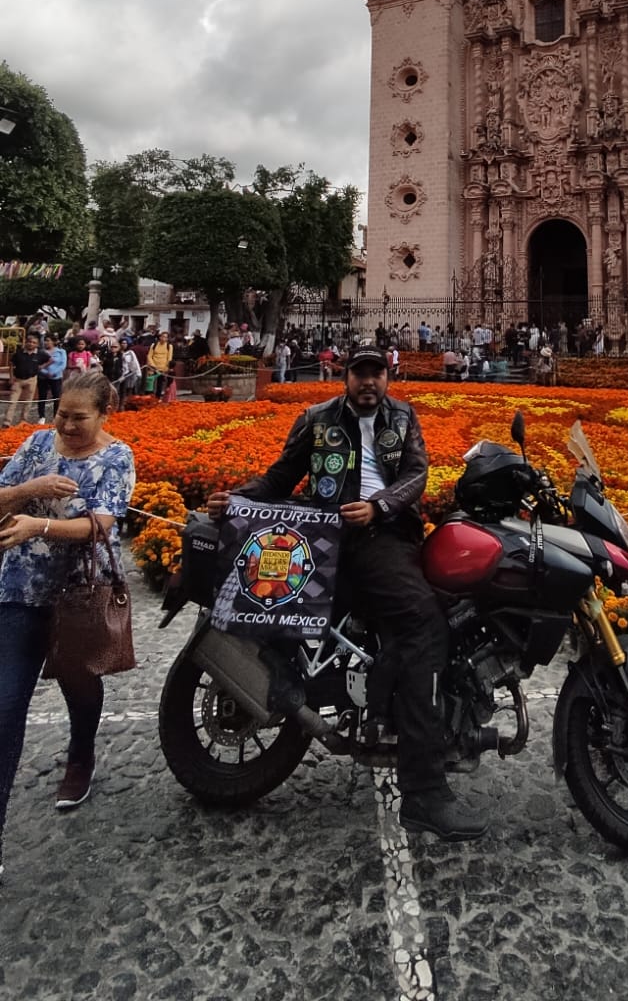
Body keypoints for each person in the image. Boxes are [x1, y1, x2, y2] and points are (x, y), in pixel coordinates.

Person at [206, 347, 484, 843]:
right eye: (360, 373)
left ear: (387, 376)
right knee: (424, 625)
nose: (368, 382)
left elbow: (416, 475)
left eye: (376, 373)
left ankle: (385, 700)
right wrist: (237, 498)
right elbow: (280, 477)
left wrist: (379, 506)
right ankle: (422, 792)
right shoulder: (317, 419)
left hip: (385, 528)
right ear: (345, 375)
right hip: (337, 539)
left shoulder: (402, 416)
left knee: (425, 612)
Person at [0, 371, 135, 875]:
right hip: (19, 591)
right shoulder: (37, 445)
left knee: (79, 684)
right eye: (63, 415)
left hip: (80, 595)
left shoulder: (116, 457)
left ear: (104, 414)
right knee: (5, 707)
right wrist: (29, 489)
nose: (68, 425)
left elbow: (100, 523)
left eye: (80, 418)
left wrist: (43, 524)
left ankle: (81, 753)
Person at [8, 334, 42, 424]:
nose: (31, 344)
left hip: (31, 379)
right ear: (26, 343)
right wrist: (11, 377)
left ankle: (23, 421)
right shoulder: (19, 353)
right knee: (12, 401)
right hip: (18, 380)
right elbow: (11, 364)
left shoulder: (39, 354)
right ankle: (7, 422)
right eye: (29, 342)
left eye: (34, 343)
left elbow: (50, 360)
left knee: (28, 401)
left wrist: (41, 367)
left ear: (37, 345)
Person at [36, 336, 67, 422]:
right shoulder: (41, 352)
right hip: (43, 377)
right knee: (42, 396)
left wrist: (53, 373)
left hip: (56, 377)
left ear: (53, 342)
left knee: (56, 396)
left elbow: (63, 365)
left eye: (48, 340)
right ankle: (41, 416)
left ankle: (55, 417)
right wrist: (45, 373)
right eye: (45, 341)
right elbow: (38, 365)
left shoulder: (61, 352)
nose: (46, 342)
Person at [147, 330, 173, 397]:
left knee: (160, 384)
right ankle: (150, 397)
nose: (164, 338)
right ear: (160, 337)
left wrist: (166, 368)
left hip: (163, 368)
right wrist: (152, 365)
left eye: (165, 337)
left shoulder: (169, 346)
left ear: (167, 339)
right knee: (150, 383)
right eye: (162, 337)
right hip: (153, 368)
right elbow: (149, 356)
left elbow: (169, 358)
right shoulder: (154, 345)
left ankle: (157, 397)